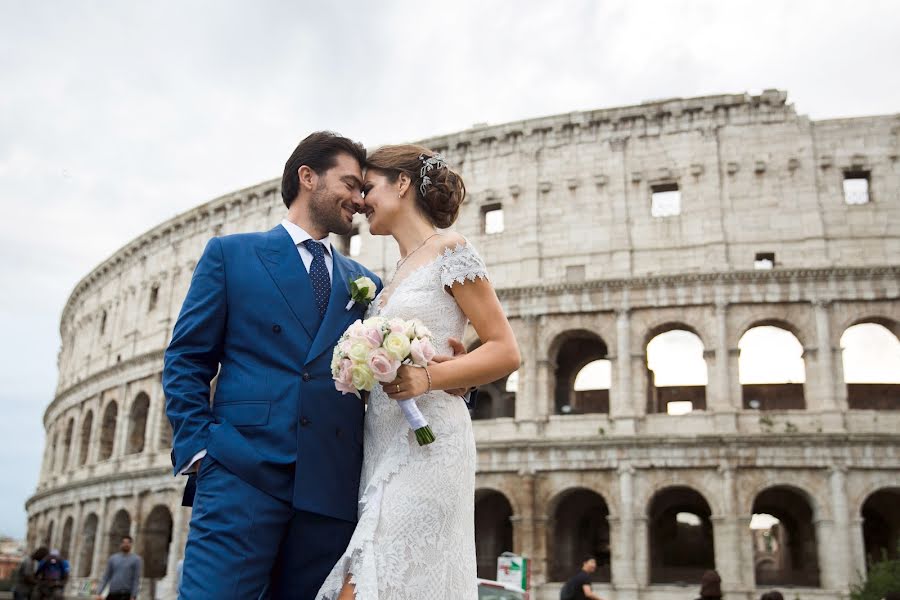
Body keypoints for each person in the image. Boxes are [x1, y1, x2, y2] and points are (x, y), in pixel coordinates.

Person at [165, 132, 469, 599]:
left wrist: (450, 379)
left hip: (330, 488)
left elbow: (399, 366)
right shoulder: (231, 255)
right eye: (349, 183)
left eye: (364, 187)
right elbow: (187, 359)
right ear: (308, 178)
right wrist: (200, 451)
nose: (359, 198)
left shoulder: (367, 283)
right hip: (242, 474)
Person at [316, 145, 520, 599]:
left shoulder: (452, 249)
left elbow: (506, 350)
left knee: (368, 580)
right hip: (382, 444)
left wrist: (430, 379)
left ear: (402, 184)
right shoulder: (391, 275)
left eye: (368, 187)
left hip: (430, 444)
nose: (362, 200)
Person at [95, 536, 141, 600]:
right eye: (124, 543)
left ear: (131, 544)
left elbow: (136, 579)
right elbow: (106, 577)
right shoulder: (113, 558)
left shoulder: (136, 560)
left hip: (127, 594)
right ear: (121, 544)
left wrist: (134, 596)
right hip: (113, 593)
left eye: (128, 543)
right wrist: (98, 593)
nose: (126, 544)